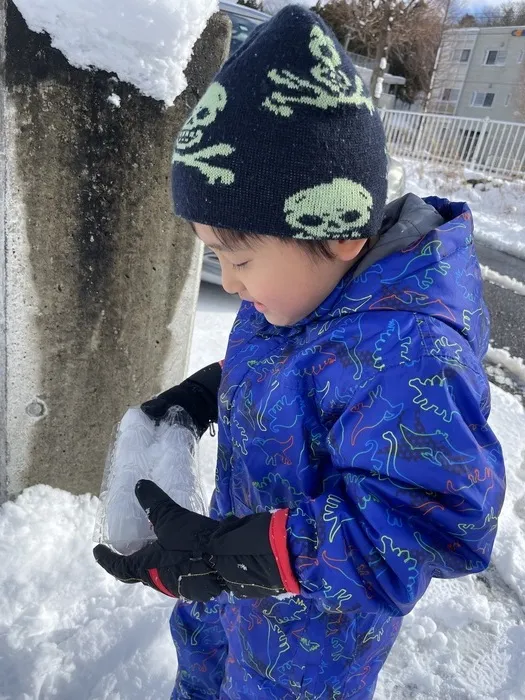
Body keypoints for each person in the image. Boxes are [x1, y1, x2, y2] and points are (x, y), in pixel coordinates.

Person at [93, 6, 506, 698]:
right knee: (201, 672)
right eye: (214, 255)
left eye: (239, 257)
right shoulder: (300, 293)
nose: (227, 282)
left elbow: (433, 524)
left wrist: (243, 557)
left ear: (336, 232)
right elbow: (294, 374)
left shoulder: (411, 352)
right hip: (229, 594)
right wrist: (205, 392)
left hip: (307, 646)